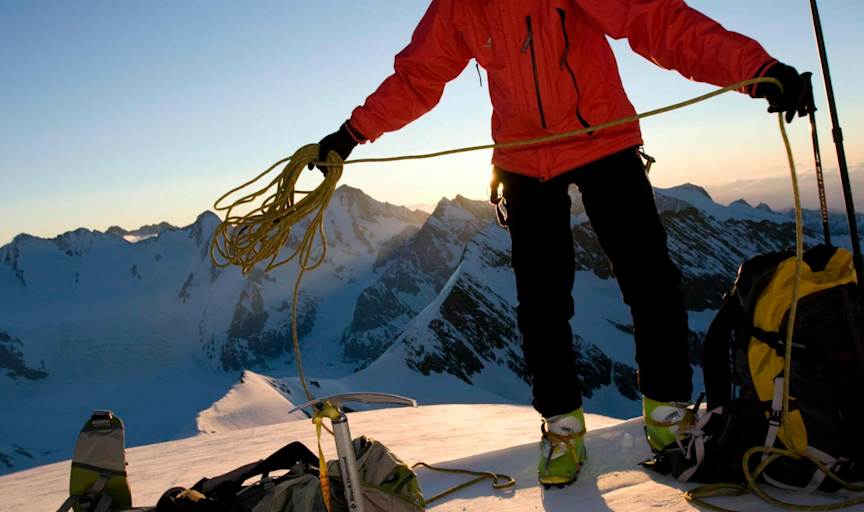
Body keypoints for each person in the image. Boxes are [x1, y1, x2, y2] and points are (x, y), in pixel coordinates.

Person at [311, 0, 816, 487]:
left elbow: (656, 20)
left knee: (650, 279)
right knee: (541, 304)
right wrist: (353, 133)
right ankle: (563, 426)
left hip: (605, 137)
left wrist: (756, 68)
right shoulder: (460, 4)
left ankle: (667, 410)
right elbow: (419, 75)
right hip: (525, 161)